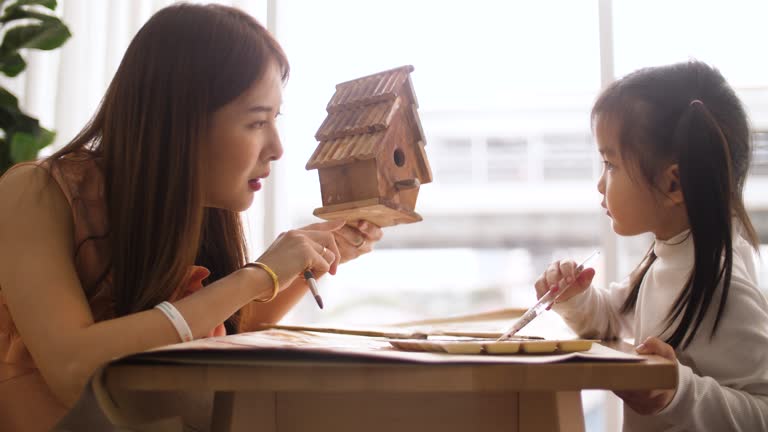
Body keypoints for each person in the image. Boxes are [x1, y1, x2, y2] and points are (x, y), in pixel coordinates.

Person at [0, 3, 382, 431]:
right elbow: (74, 372)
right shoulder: (33, 193)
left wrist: (309, 258)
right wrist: (259, 275)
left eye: (275, 120)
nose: (277, 147)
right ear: (180, 121)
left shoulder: (194, 206)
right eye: (257, 123)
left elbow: (216, 330)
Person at [537, 60, 768, 431]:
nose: (600, 184)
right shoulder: (665, 258)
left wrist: (676, 392)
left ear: (673, 184)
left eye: (610, 164)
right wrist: (576, 298)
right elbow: (613, 318)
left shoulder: (724, 287)